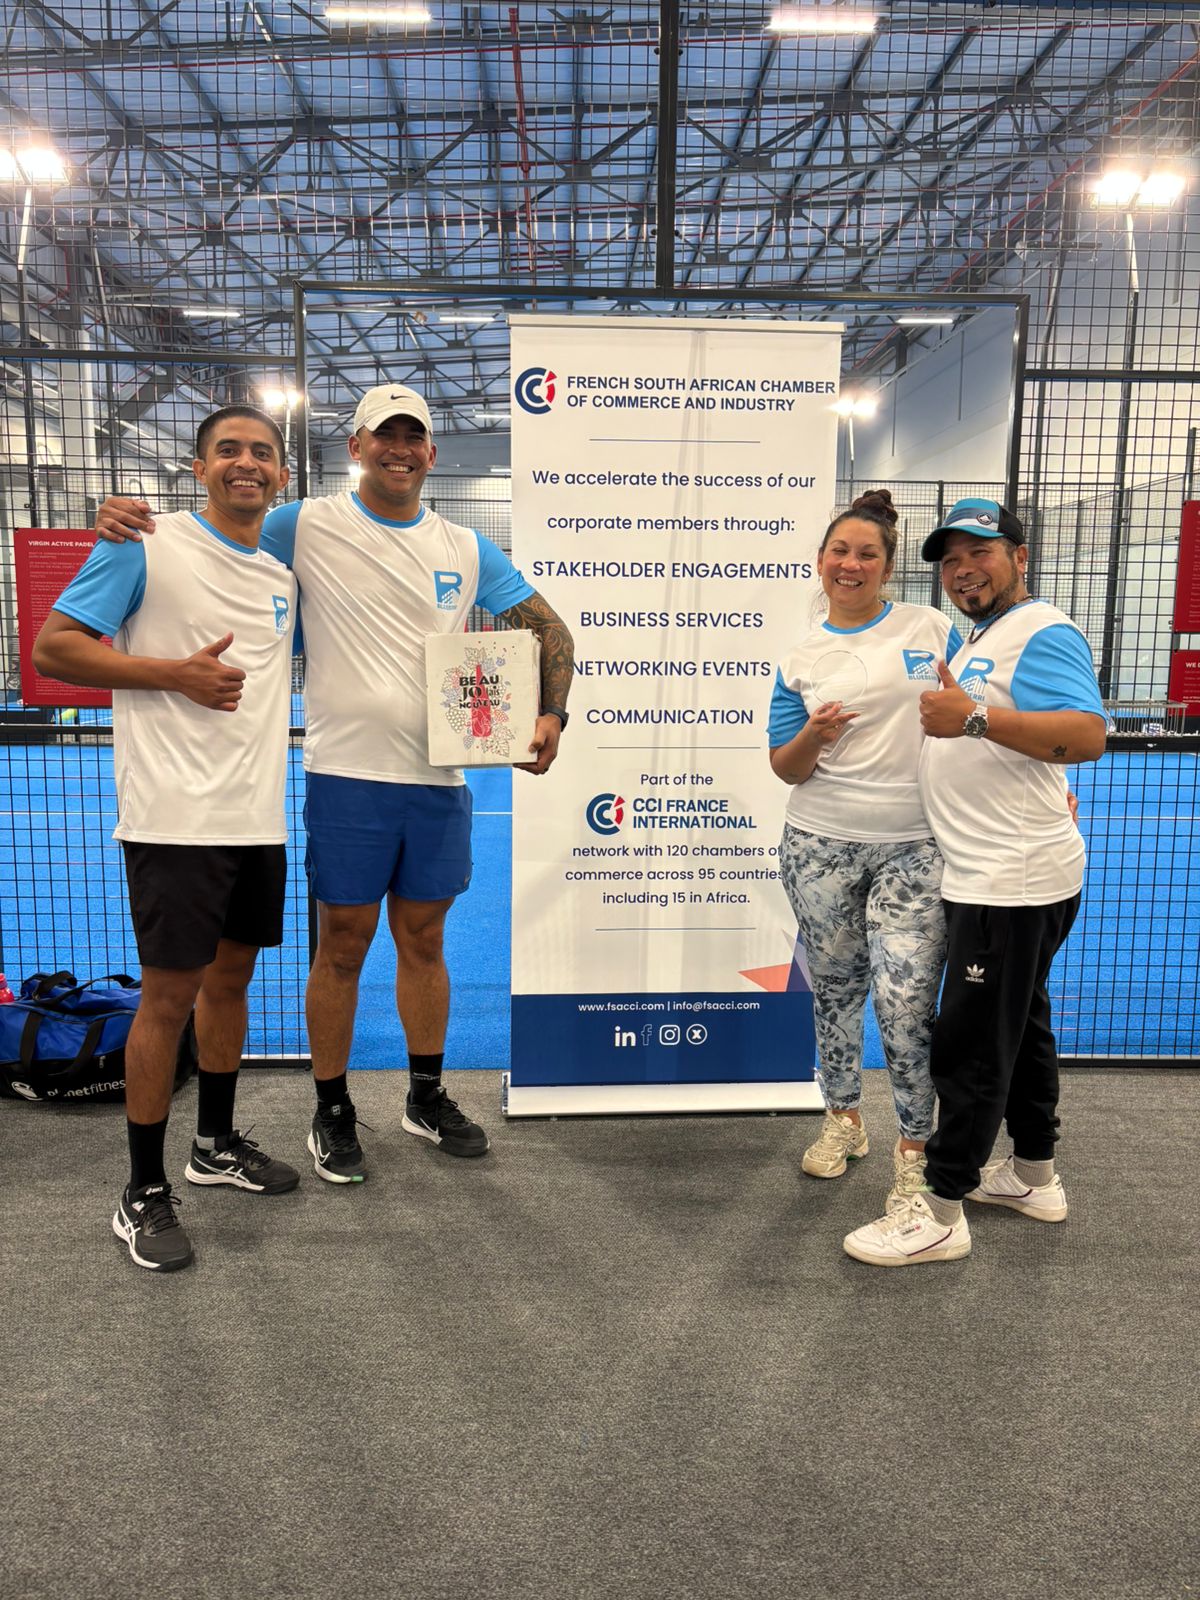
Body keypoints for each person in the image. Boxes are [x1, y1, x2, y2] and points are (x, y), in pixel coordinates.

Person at [94, 385, 573, 1183]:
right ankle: (332, 1107)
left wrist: (551, 713)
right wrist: (123, 521)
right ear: (356, 447)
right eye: (384, 435)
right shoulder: (304, 523)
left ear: (430, 452)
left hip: (439, 779)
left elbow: (548, 628)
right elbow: (216, 528)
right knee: (343, 944)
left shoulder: (465, 547)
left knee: (426, 941)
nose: (399, 450)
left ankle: (425, 1095)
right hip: (346, 776)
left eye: (413, 437)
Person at [34, 406, 301, 1273]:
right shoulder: (143, 543)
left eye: (262, 452)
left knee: (231, 985)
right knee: (167, 999)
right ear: (198, 467)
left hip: (255, 819)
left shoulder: (281, 573)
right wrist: (172, 676)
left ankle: (213, 1145)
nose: (246, 463)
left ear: (283, 474)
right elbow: (53, 648)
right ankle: (141, 1189)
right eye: (228, 450)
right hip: (174, 821)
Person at [843, 498, 1106, 1267]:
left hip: (1009, 881)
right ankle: (1033, 1177)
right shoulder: (984, 634)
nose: (963, 570)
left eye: (980, 553)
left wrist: (976, 721)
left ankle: (941, 1210)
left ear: (1019, 557)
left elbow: (1087, 733)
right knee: (1022, 1029)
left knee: (972, 1048)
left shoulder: (1043, 630)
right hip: (997, 874)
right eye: (950, 560)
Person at [768, 490, 961, 1212]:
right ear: (821, 561)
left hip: (916, 848)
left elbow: (979, 708)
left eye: (867, 554)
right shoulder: (800, 657)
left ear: (887, 566)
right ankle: (844, 1120)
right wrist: (812, 736)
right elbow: (785, 768)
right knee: (836, 990)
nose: (851, 565)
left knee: (906, 1003)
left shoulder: (929, 628)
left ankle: (915, 1147)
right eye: (839, 552)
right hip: (818, 847)